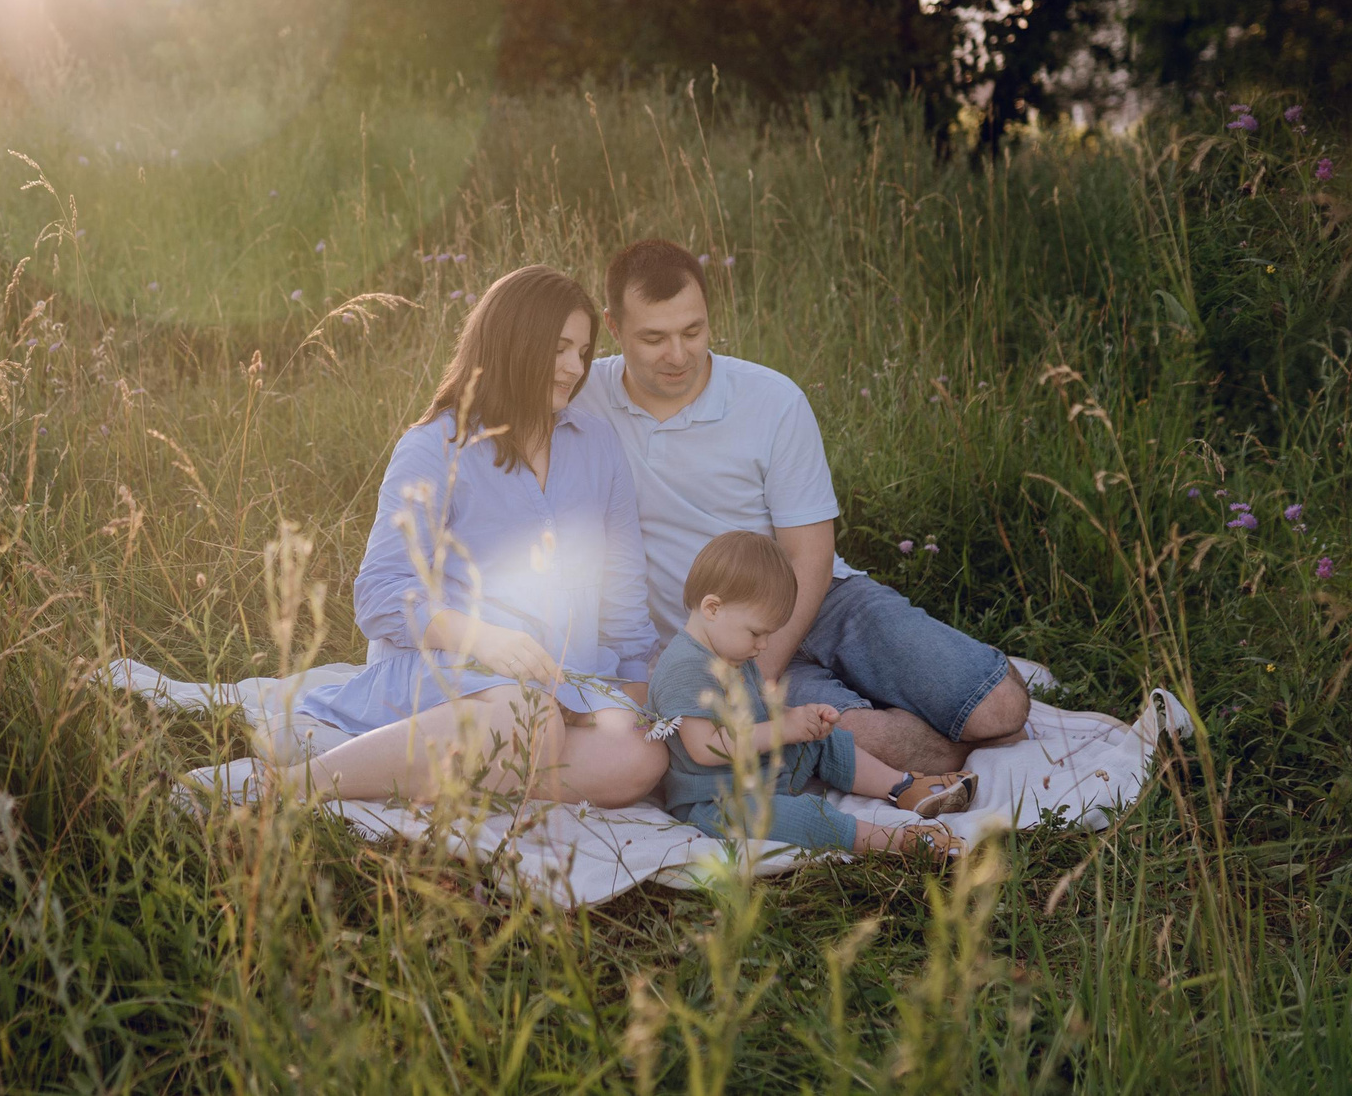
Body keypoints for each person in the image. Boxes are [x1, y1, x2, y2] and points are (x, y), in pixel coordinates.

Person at [210, 265, 667, 806]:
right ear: (513, 343)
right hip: (447, 670)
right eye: (560, 348)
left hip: (562, 685)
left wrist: (623, 702)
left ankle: (462, 769)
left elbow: (622, 595)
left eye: (584, 352)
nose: (575, 367)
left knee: (639, 757)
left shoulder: (598, 446)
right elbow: (381, 593)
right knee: (528, 721)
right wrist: (486, 640)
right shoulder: (436, 446)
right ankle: (302, 784)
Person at [579, 238, 1030, 776]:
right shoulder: (582, 397)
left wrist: (759, 673)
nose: (677, 355)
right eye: (654, 338)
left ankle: (944, 691)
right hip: (714, 640)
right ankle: (906, 716)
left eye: (692, 331)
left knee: (1001, 708)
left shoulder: (772, 400)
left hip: (822, 599)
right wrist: (743, 677)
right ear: (613, 326)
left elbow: (809, 554)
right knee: (880, 743)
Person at [651, 531, 972, 858]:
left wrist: (795, 718)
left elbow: (757, 712)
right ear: (713, 608)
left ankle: (904, 787)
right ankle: (900, 841)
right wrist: (781, 730)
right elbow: (706, 748)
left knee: (823, 739)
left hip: (760, 771)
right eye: (756, 632)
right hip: (718, 800)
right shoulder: (685, 667)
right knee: (803, 817)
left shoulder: (732, 652)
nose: (764, 645)